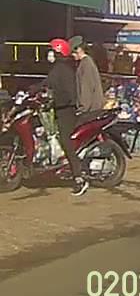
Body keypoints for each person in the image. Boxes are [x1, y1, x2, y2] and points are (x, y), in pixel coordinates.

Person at [45, 38, 87, 196]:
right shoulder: (56, 69)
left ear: (59, 53)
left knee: (66, 141)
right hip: (58, 109)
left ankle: (78, 177)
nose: (49, 54)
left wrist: (53, 101)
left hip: (66, 111)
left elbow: (69, 95)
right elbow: (46, 83)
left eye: (52, 51)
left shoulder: (65, 70)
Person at [70, 36, 105, 115]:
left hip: (90, 110)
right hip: (92, 108)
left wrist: (83, 109)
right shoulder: (87, 62)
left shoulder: (86, 64)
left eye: (73, 52)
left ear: (79, 49)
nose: (72, 55)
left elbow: (87, 88)